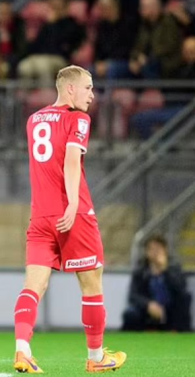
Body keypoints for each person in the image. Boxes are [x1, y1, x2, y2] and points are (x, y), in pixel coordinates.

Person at [12, 65, 127, 374]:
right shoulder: (78, 119)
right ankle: (96, 357)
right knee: (92, 284)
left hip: (40, 215)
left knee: (33, 285)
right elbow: (72, 161)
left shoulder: (34, 119)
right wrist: (74, 204)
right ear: (70, 88)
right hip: (72, 214)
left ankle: (22, 350)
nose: (93, 94)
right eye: (88, 87)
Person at [122, 235, 192, 332]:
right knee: (130, 314)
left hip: (170, 310)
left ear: (165, 250)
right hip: (148, 310)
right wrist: (148, 304)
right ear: (146, 252)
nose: (155, 252)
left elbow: (181, 290)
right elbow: (133, 295)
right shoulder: (141, 272)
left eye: (158, 249)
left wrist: (164, 270)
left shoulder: (175, 268)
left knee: (185, 300)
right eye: (152, 249)